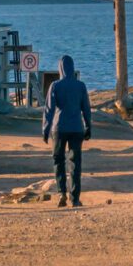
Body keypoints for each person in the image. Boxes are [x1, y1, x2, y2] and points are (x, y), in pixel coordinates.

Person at [41, 53, 91, 207]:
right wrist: (88, 126)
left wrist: (45, 129)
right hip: (76, 128)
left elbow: (49, 109)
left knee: (58, 161)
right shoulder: (80, 86)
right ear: (73, 68)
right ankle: (75, 198)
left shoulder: (55, 85)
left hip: (59, 128)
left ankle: (61, 193)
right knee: (76, 163)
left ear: (60, 69)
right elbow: (86, 108)